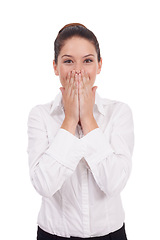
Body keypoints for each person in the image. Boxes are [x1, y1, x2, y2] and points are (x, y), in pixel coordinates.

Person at [27, 23, 134, 240]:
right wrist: (69, 120)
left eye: (87, 61)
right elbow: (44, 185)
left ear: (99, 65)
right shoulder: (40, 115)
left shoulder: (119, 112)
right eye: (68, 61)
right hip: (53, 235)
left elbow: (114, 183)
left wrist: (87, 118)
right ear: (55, 67)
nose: (78, 71)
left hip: (110, 235)